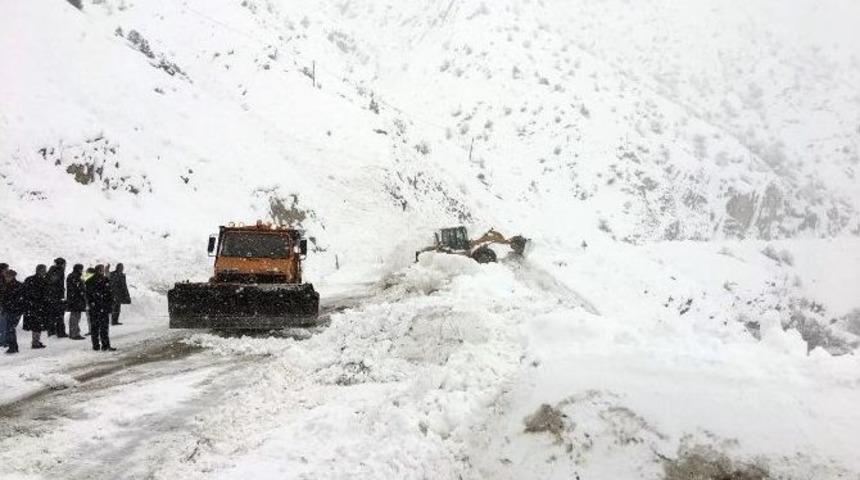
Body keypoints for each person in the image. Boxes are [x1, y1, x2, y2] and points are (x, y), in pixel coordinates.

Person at [86, 264, 115, 351]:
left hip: (97, 307)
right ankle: (104, 345)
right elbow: (108, 293)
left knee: (97, 328)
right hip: (100, 307)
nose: (103, 271)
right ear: (99, 270)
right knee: (102, 328)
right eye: (102, 270)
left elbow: (109, 293)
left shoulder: (91, 280)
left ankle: (98, 345)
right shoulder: (99, 280)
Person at [22, 264, 50, 349]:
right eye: (44, 270)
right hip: (38, 306)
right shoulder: (42, 281)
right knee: (37, 325)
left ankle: (36, 341)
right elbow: (44, 294)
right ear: (40, 271)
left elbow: (25, 292)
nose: (46, 272)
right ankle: (35, 342)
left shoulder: (29, 279)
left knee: (36, 325)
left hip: (32, 306)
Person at [1, 269, 24, 354]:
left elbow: (20, 299)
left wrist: (18, 308)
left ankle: (13, 347)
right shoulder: (5, 285)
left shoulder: (17, 286)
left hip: (15, 310)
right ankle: (13, 346)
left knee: (10, 328)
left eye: (8, 276)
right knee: (9, 328)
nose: (6, 278)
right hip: (8, 310)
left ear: (13, 277)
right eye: (6, 276)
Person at [46, 257, 67, 338]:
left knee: (53, 315)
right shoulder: (59, 271)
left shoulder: (52, 270)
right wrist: (59, 293)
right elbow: (54, 282)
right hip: (55, 297)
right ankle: (59, 332)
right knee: (59, 315)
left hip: (52, 296)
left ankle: (52, 331)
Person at [66, 264, 87, 340]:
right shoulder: (75, 277)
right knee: (75, 317)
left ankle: (74, 332)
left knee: (75, 316)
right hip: (76, 300)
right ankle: (74, 333)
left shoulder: (73, 276)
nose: (82, 270)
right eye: (81, 269)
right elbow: (78, 288)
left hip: (74, 299)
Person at [82, 267, 96, 336]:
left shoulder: (87, 280)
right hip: (91, 300)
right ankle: (93, 329)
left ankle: (92, 330)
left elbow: (87, 291)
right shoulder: (89, 280)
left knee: (90, 316)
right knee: (92, 316)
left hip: (89, 300)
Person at [0, 262, 8, 347]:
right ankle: (2, 341)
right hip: (2, 303)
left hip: (3, 303)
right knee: (3, 323)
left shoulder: (4, 278)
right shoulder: (3, 279)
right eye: (6, 269)